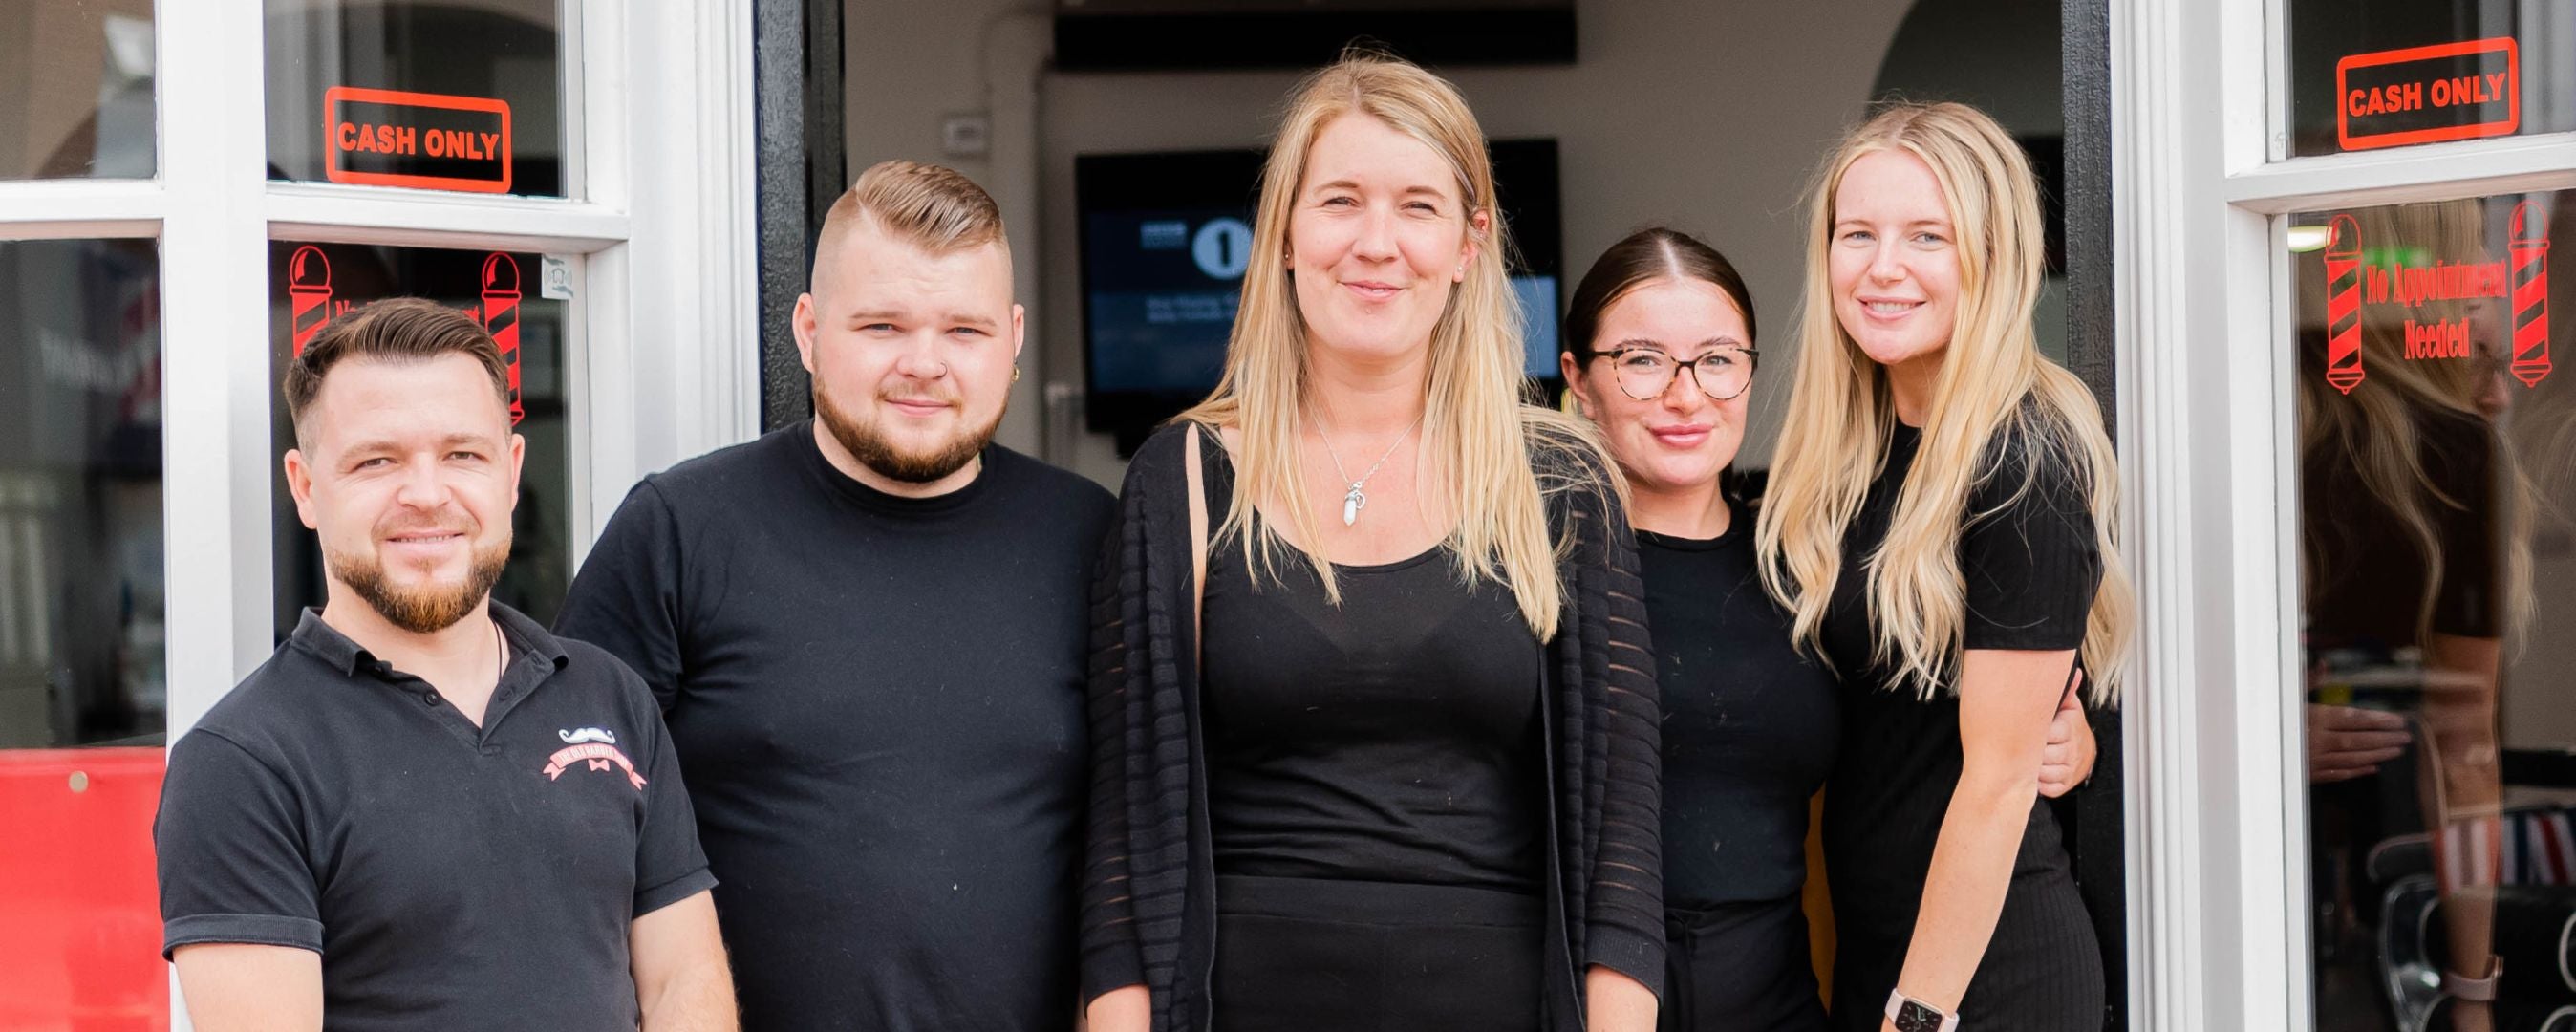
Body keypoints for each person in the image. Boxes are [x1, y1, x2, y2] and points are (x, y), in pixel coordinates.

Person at [1080, 52, 1663, 1032]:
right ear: (1285, 237)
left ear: (1470, 242)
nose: (1376, 242)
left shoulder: (1560, 483)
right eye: (1340, 201)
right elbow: (1125, 847)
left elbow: (1620, 853)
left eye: (1418, 206)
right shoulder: (1181, 477)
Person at [554, 161, 1115, 1031]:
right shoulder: (682, 530)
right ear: (810, 331)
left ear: (1013, 340)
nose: (922, 364)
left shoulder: (1090, 539)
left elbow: (1137, 846)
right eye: (882, 324)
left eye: (962, 330)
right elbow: (572, 826)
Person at [1558, 226, 2101, 1032]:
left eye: (1717, 360)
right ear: (1578, 380)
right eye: (1641, 360)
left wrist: (2066, 743)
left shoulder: (1802, 565)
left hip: (1781, 997)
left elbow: (1915, 722)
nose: (1685, 395)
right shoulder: (1538, 567)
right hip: (1586, 993)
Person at [155, 299, 734, 1031]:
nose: (427, 496)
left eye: (463, 454)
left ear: (511, 470)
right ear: (306, 487)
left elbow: (685, 981)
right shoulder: (242, 762)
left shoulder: (609, 695)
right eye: (377, 460)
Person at [1751, 102, 2136, 1032]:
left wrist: (1917, 1014)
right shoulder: (1853, 455)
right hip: (1883, 952)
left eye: (1926, 235)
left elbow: (1998, 782)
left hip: (1982, 981)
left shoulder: (2019, 463)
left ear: (1990, 257)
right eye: (1857, 234)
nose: (1882, 267)